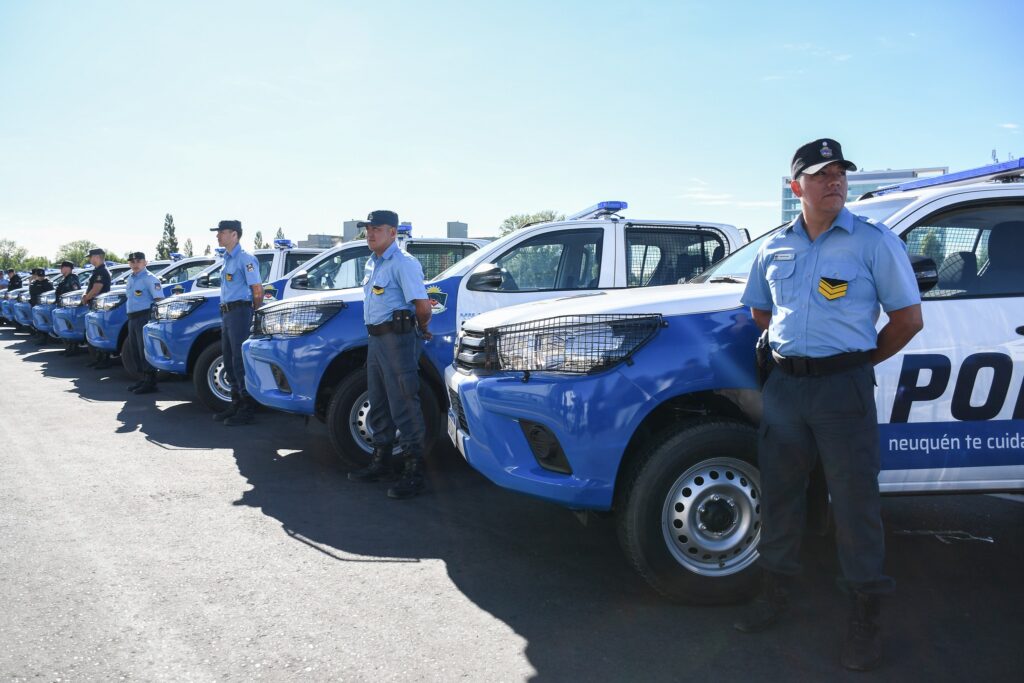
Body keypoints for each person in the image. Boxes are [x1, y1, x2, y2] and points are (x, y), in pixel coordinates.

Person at [735, 139, 924, 671]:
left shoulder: (872, 242)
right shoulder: (774, 247)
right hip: (787, 390)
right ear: (796, 187)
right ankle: (774, 593)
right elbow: (761, 313)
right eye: (820, 175)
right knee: (781, 496)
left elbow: (908, 319)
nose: (834, 182)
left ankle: (865, 616)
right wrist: (793, 358)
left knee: (855, 503)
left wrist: (857, 363)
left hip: (844, 389)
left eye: (839, 173)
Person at [346, 210, 432, 500]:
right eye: (367, 229)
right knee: (379, 400)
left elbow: (422, 305)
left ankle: (414, 471)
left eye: (377, 229)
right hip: (376, 340)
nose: (369, 234)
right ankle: (381, 462)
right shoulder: (372, 263)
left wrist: (421, 328)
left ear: (393, 233)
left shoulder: (403, 263)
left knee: (404, 402)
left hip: (398, 340)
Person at [209, 220, 262, 426]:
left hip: (240, 312)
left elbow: (257, 289)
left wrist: (255, 314)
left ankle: (247, 408)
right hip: (227, 313)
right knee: (229, 358)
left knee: (240, 360)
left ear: (234, 235)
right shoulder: (227, 259)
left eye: (221, 232)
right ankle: (236, 402)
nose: (218, 236)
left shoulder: (245, 258)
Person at [123, 252, 164, 394]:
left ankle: (151, 381)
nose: (135, 264)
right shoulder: (131, 278)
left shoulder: (150, 279)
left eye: (138, 261)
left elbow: (159, 300)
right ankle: (143, 378)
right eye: (132, 261)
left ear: (145, 262)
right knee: (135, 349)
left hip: (144, 317)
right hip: (132, 318)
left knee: (144, 349)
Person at [80, 249, 112, 368]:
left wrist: (86, 297)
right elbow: (91, 287)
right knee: (93, 333)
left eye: (91, 257)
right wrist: (85, 295)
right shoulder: (97, 270)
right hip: (95, 306)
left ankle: (103, 360)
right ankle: (97, 359)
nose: (89, 259)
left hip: (99, 307)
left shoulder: (101, 271)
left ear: (97, 257)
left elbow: (97, 288)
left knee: (99, 333)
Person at [54, 261, 81, 355]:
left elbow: (75, 293)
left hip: (70, 309)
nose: (60, 269)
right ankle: (68, 348)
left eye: (62, 267)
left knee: (69, 328)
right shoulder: (65, 279)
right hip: (63, 308)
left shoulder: (72, 279)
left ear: (68, 268)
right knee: (64, 328)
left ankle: (73, 348)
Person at [28, 268, 54, 344]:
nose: (40, 277)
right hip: (35, 305)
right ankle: (39, 335)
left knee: (43, 322)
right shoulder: (34, 283)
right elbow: (31, 291)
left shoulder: (48, 283)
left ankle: (44, 339)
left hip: (43, 306)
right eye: (39, 276)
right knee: (37, 322)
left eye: (41, 276)